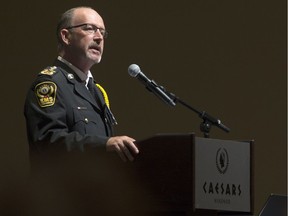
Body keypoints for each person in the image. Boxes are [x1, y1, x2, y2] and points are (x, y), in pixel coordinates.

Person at [24, 6, 139, 162]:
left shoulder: (96, 91)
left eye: (102, 32)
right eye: (90, 29)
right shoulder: (49, 84)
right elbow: (48, 142)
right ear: (66, 36)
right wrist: (105, 144)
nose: (99, 38)